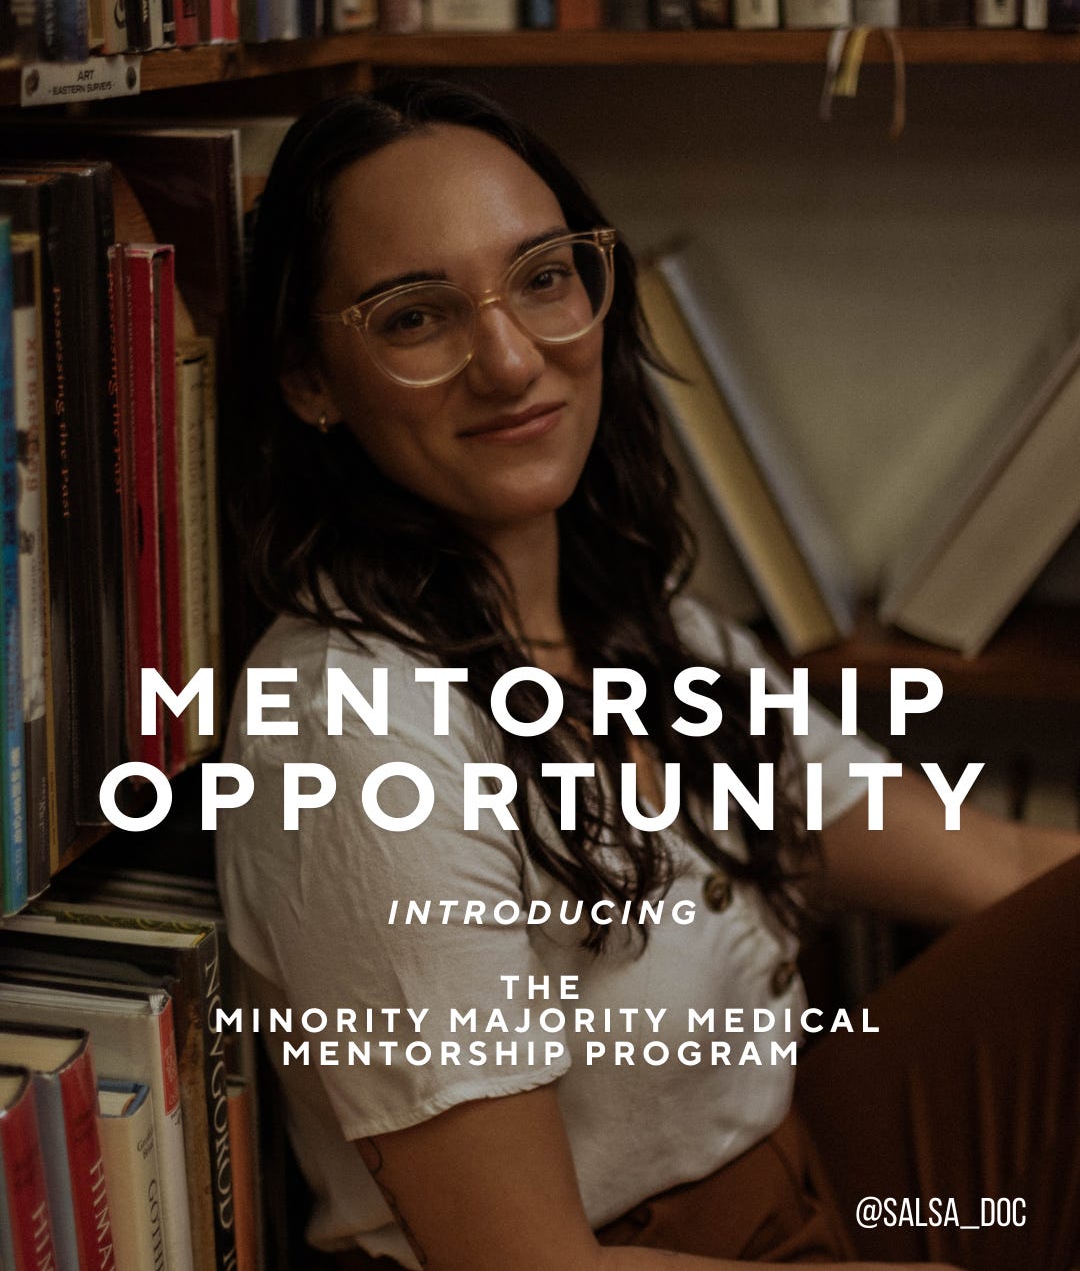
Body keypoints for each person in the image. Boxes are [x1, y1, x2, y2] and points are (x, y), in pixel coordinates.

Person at [216, 79, 1080, 1271]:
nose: (513, 361)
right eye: (416, 318)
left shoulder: (646, 627)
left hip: (805, 1165)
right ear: (311, 380)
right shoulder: (354, 733)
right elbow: (529, 1265)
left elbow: (996, 864)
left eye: (543, 277)